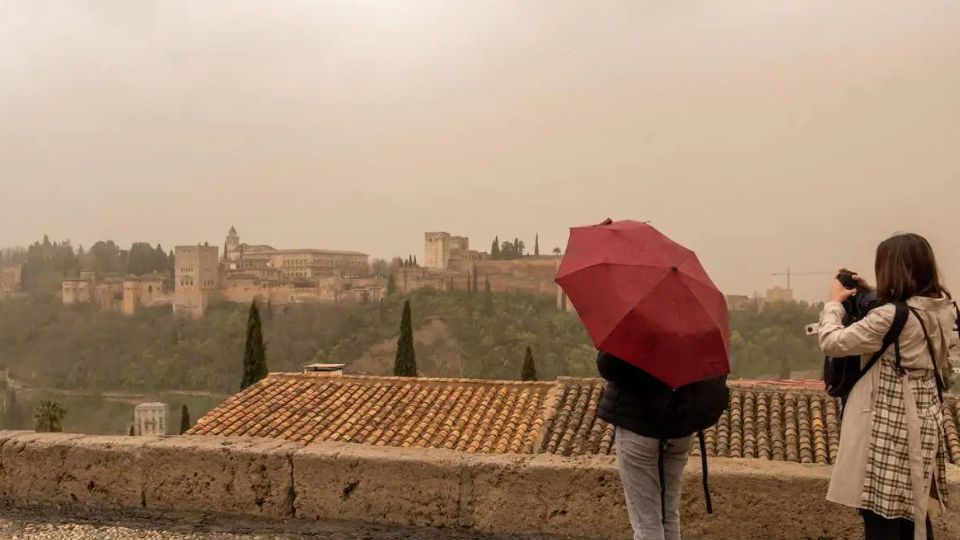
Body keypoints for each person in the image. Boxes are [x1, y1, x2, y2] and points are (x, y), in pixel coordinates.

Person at [819, 233, 958, 540]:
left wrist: (832, 304)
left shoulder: (892, 315)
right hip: (923, 421)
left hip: (887, 426)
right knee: (913, 511)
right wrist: (873, 290)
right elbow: (907, 309)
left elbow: (832, 342)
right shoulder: (945, 308)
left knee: (881, 517)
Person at [597, 352, 728, 540]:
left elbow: (608, 367)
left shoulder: (639, 325)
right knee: (669, 515)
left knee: (647, 524)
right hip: (680, 429)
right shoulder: (695, 326)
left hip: (639, 428)